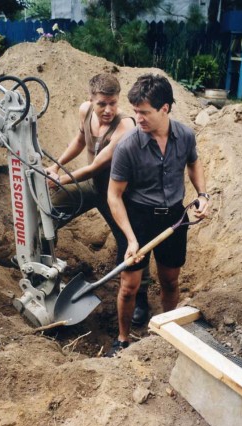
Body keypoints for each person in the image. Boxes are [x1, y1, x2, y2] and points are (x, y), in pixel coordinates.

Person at [107, 73, 210, 356]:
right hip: (138, 219)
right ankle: (123, 338)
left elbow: (194, 164)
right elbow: (113, 196)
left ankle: (167, 332)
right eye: (135, 111)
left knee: (170, 280)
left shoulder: (185, 136)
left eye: (144, 112)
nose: (138, 118)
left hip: (174, 218)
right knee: (129, 285)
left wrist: (202, 195)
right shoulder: (128, 146)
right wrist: (129, 239)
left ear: (165, 108)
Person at [46, 73, 151, 315]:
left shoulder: (125, 125)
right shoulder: (85, 111)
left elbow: (96, 166)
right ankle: (45, 266)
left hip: (119, 195)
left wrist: (59, 179)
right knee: (49, 210)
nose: (107, 110)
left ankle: (141, 297)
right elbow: (81, 139)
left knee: (131, 241)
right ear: (90, 100)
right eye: (102, 103)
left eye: (112, 103)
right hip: (93, 186)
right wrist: (55, 166)